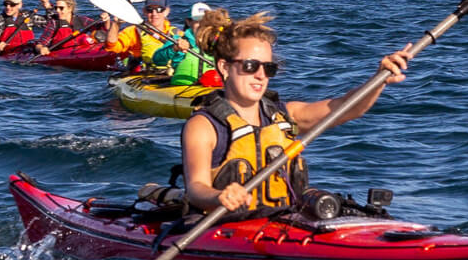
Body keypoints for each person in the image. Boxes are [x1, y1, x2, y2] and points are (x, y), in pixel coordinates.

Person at [177, 12, 412, 216]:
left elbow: (347, 107)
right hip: (230, 226)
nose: (261, 75)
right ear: (224, 67)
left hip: (285, 220)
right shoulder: (203, 126)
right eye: (250, 66)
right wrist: (218, 196)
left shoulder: (286, 115)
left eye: (268, 68)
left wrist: (379, 79)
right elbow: (196, 187)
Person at [30, 0, 98, 56]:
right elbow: (40, 44)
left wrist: (106, 20)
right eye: (56, 8)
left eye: (61, 8)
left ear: (70, 8)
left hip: (82, 51)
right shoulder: (54, 23)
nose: (57, 10)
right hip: (61, 56)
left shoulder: (82, 20)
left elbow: (101, 27)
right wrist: (41, 49)